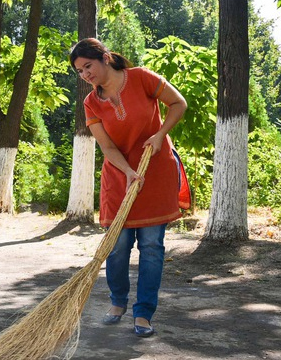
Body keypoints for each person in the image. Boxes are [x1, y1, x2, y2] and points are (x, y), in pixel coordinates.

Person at [70, 38, 187, 337]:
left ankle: (144, 312)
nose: (85, 75)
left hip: (154, 171)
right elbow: (107, 147)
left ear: (105, 58)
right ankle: (118, 302)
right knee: (118, 246)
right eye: (80, 71)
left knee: (151, 247)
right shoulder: (91, 102)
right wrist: (127, 171)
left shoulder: (142, 78)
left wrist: (161, 135)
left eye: (88, 66)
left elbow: (178, 103)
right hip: (119, 177)